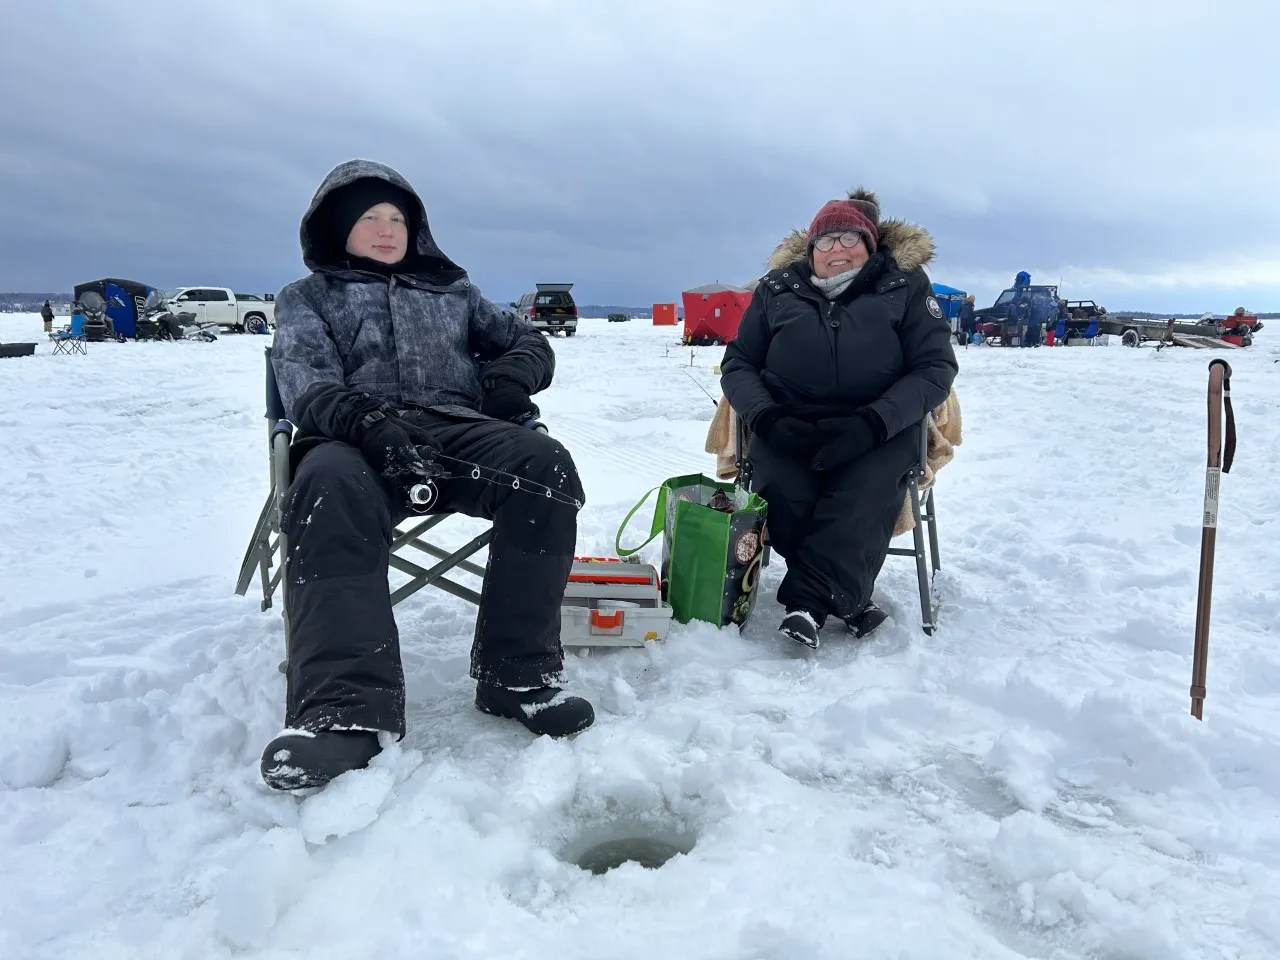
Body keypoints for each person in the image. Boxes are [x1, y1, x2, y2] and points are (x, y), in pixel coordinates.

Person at [261, 159, 594, 791]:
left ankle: (516, 674)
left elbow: (530, 342)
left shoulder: (455, 292)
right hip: (352, 438)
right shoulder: (307, 298)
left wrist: (513, 375)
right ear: (338, 226)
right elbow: (305, 383)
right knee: (325, 484)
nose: (387, 230)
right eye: (370, 218)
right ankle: (344, 714)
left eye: (398, 219)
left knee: (545, 468)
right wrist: (367, 423)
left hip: (454, 430)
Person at [720, 189, 959, 648]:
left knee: (864, 487)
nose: (837, 250)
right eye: (825, 242)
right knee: (786, 487)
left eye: (849, 238)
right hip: (789, 419)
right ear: (810, 250)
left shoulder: (905, 285)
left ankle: (808, 602)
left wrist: (874, 422)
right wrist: (767, 419)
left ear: (870, 245)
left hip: (879, 424)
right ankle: (849, 600)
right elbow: (740, 363)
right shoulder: (776, 289)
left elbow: (935, 367)